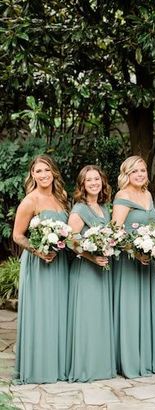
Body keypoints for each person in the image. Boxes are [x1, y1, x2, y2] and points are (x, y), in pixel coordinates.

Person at [12, 155, 70, 384]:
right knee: (42, 314)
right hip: (39, 264)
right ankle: (39, 368)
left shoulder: (62, 197)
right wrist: (38, 251)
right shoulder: (30, 201)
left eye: (47, 170)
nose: (43, 175)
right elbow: (18, 235)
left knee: (59, 312)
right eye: (38, 171)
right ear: (32, 175)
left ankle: (59, 365)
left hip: (61, 262)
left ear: (53, 172)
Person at [111, 155, 155, 378]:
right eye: (135, 171)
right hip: (130, 261)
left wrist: (154, 246)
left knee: (146, 307)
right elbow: (115, 230)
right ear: (127, 175)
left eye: (143, 170)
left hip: (148, 260)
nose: (140, 174)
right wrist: (134, 251)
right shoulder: (122, 196)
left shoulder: (147, 194)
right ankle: (129, 360)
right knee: (130, 308)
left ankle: (146, 357)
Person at [67, 165, 116, 382]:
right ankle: (85, 367)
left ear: (102, 182)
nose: (94, 183)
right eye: (89, 180)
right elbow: (70, 240)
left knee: (100, 317)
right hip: (86, 269)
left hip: (103, 269)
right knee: (87, 318)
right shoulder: (79, 209)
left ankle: (100, 366)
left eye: (97, 179)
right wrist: (91, 257)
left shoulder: (104, 208)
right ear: (82, 185)